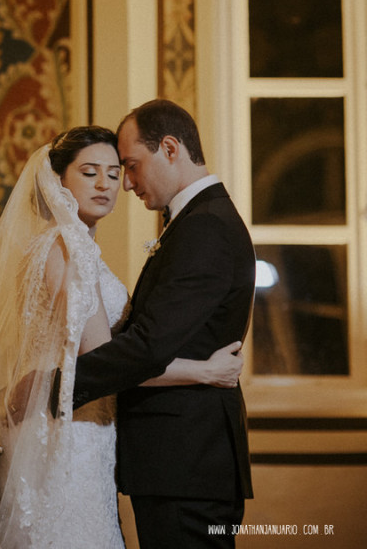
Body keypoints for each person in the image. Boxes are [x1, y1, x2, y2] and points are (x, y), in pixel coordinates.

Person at [0, 125, 243, 548]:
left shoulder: (53, 246)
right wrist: (205, 370)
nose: (107, 184)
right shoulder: (70, 249)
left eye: (114, 171)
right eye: (89, 172)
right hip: (72, 436)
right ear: (58, 179)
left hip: (77, 427)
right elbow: (110, 359)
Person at [67, 100, 256, 548]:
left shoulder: (205, 227)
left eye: (130, 166)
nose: (126, 183)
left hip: (186, 465)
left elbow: (149, 345)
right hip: (180, 463)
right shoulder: (196, 221)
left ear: (170, 148)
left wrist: (58, 382)